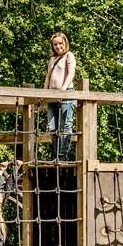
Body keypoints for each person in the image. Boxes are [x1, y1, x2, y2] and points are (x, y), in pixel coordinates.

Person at [45, 32, 77, 160]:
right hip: (52, 96)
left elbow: (71, 73)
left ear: (65, 43)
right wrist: (43, 93)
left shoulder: (69, 55)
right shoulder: (52, 59)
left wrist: (62, 90)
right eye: (55, 44)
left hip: (66, 94)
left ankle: (62, 155)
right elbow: (48, 77)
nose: (58, 46)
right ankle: (56, 153)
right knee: (52, 126)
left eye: (60, 43)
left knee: (66, 125)